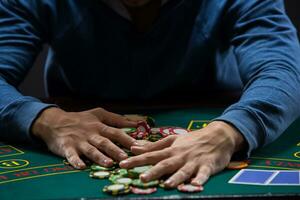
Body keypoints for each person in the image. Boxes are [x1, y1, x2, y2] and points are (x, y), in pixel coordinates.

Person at [0, 0, 300, 188]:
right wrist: (45, 119)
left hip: (214, 121)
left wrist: (229, 132)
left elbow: (284, 71)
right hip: (77, 124)